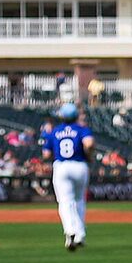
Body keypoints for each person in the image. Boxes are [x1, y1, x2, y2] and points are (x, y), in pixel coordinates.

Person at [39, 100, 93, 250]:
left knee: (65, 202)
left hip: (62, 166)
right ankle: (80, 234)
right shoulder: (82, 129)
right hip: (80, 165)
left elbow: (46, 153)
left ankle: (70, 232)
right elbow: (89, 144)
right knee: (79, 200)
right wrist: (88, 155)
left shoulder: (54, 132)